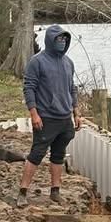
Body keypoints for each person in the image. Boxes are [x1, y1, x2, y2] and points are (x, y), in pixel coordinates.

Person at [16, 24, 81, 208]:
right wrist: (34, 113)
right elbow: (29, 88)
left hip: (64, 118)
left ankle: (55, 191)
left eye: (64, 39)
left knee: (58, 156)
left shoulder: (68, 63)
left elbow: (72, 88)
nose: (61, 42)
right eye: (58, 39)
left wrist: (76, 112)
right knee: (36, 154)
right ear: (50, 41)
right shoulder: (37, 61)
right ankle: (23, 191)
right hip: (46, 117)